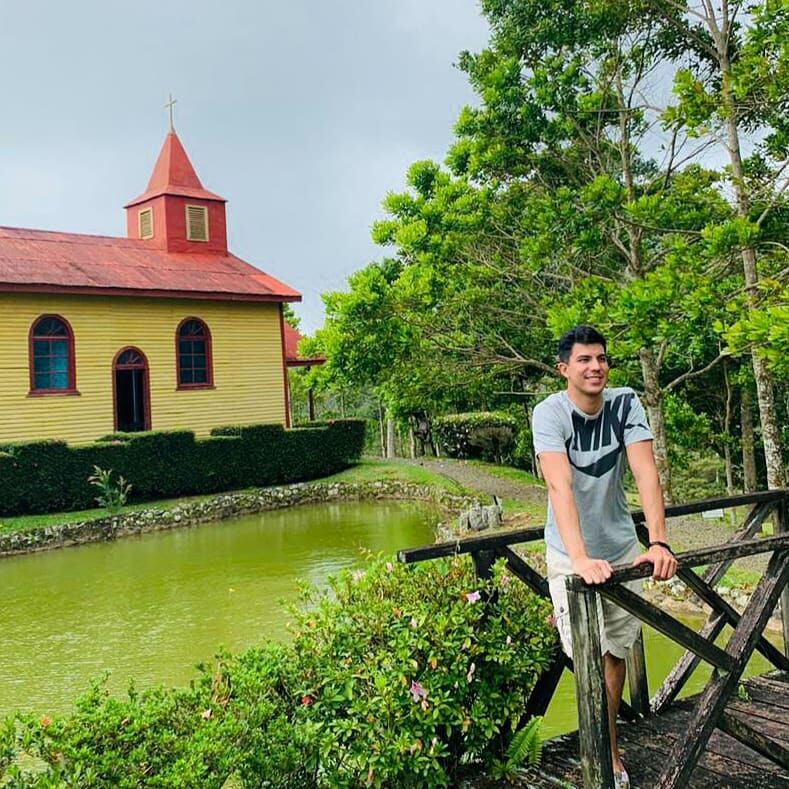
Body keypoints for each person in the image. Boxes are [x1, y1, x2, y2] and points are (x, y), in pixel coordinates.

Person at [532, 325, 677, 789]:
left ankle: (607, 746)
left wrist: (659, 542)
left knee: (616, 651)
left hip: (619, 549)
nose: (595, 367)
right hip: (568, 553)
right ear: (564, 370)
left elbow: (645, 471)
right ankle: (599, 751)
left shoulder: (625, 403)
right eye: (584, 360)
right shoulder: (549, 413)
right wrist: (578, 558)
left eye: (601, 359)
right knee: (587, 656)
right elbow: (560, 485)